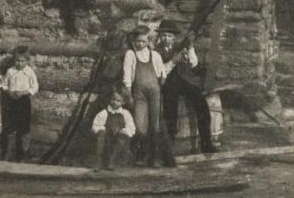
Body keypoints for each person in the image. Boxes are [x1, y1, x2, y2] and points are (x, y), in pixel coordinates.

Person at [156, 20, 218, 154]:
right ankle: (170, 143)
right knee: (170, 105)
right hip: (166, 82)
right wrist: (173, 61)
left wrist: (190, 46)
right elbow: (159, 73)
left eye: (169, 35)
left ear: (174, 37)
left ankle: (206, 142)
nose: (166, 38)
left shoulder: (179, 46)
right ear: (160, 37)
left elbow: (193, 64)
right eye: (163, 35)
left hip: (182, 80)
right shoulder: (156, 52)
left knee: (200, 101)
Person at [122, 25, 174, 167]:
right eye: (137, 41)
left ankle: (155, 158)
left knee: (156, 126)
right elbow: (127, 75)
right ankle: (141, 155)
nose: (140, 44)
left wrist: (162, 78)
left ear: (148, 41)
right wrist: (128, 94)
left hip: (154, 92)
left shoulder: (154, 55)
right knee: (140, 126)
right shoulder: (130, 54)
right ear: (133, 41)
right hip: (139, 93)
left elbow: (162, 73)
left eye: (143, 41)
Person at [2, 46, 39, 162]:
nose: (19, 63)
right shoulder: (10, 71)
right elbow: (4, 84)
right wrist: (8, 92)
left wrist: (25, 92)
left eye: (22, 61)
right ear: (14, 60)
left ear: (27, 61)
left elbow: (35, 87)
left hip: (23, 101)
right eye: (17, 61)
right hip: (11, 101)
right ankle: (8, 152)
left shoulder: (29, 72)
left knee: (24, 127)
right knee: (10, 126)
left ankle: (23, 153)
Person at [91, 89, 135, 170]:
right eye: (113, 99)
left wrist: (123, 131)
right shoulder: (104, 113)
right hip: (107, 140)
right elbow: (95, 126)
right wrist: (103, 130)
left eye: (118, 101)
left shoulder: (125, 114)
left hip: (119, 142)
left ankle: (112, 161)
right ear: (110, 99)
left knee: (123, 137)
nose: (114, 102)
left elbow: (131, 128)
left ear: (123, 103)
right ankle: (98, 162)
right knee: (101, 134)